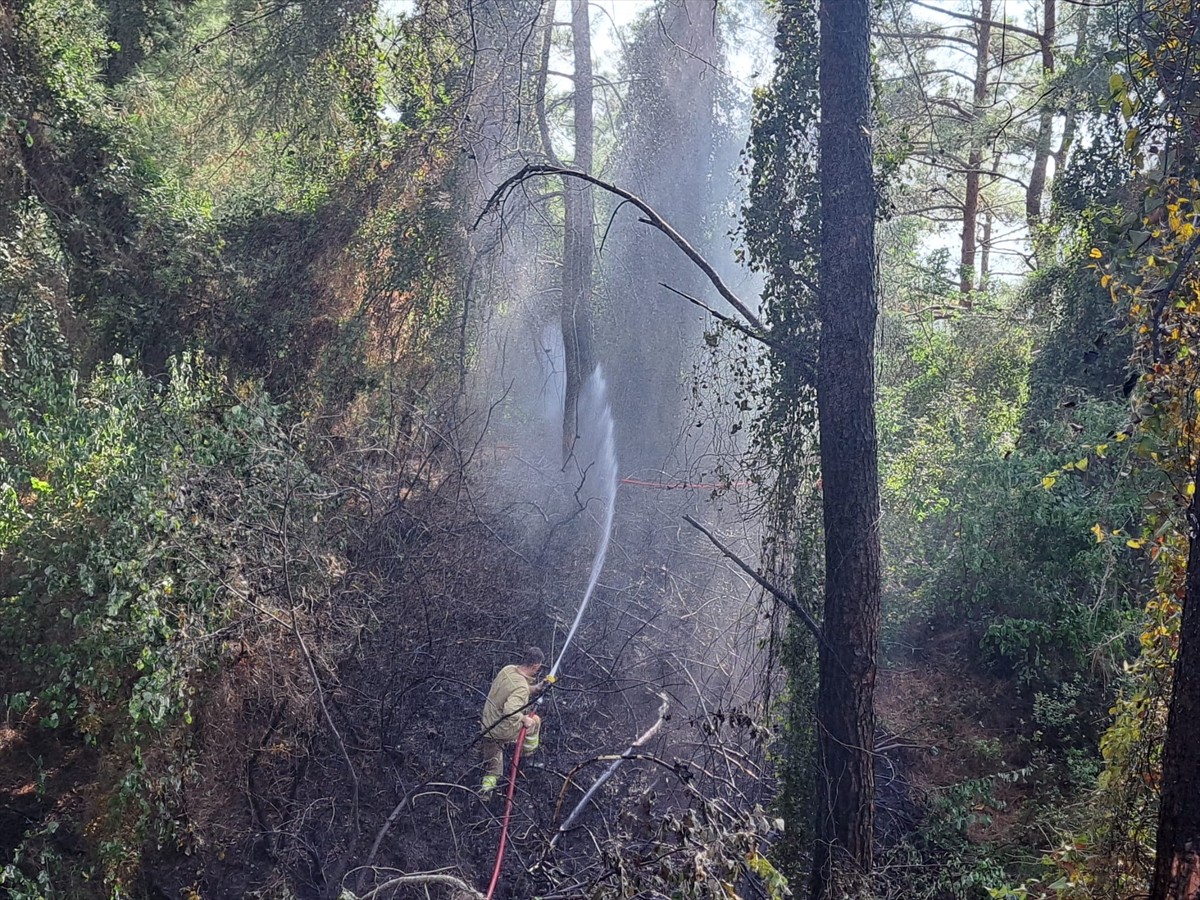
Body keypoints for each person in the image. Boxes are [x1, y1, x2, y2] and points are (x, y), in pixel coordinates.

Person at [479, 646, 550, 799]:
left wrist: (537, 688)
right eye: (538, 668)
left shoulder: (508, 670)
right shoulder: (521, 688)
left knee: (493, 768)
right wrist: (525, 719)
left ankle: (484, 795)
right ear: (535, 666)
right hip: (501, 731)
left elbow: (516, 688)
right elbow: (509, 710)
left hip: (487, 724)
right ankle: (527, 754)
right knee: (535, 721)